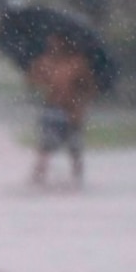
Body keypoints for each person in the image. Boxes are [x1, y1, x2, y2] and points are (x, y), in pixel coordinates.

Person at [25, 39, 98, 188]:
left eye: (57, 43)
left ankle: (77, 175)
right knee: (46, 143)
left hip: (72, 110)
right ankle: (38, 175)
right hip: (53, 108)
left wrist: (79, 100)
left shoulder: (78, 63)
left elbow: (88, 87)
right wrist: (37, 72)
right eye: (51, 43)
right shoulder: (45, 62)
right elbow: (33, 82)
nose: (53, 46)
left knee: (74, 145)